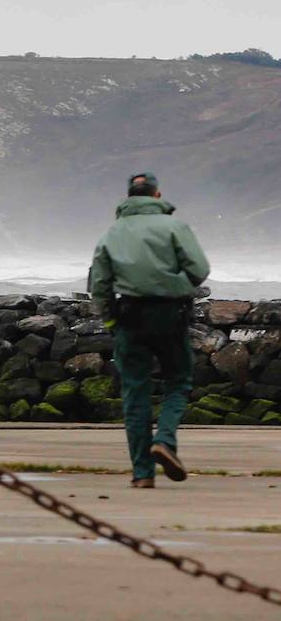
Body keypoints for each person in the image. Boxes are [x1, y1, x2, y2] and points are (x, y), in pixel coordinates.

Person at [90, 171, 210, 489]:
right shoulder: (175, 227)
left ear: (128, 198)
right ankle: (165, 440)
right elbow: (200, 270)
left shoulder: (112, 234)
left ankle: (143, 473)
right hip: (171, 314)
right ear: (157, 196)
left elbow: (99, 286)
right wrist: (175, 285)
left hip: (129, 316)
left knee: (135, 392)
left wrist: (112, 321)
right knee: (179, 380)